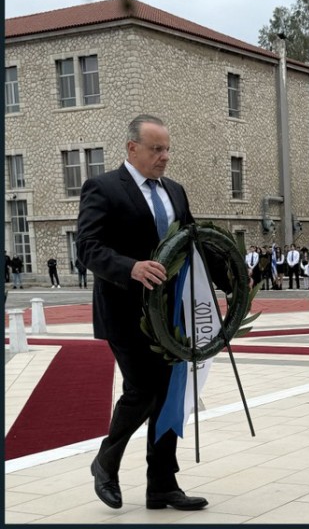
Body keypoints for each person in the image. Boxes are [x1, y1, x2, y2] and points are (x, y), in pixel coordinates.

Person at [75, 114, 209, 511]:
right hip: (124, 312)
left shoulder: (176, 192)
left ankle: (162, 485)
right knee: (143, 390)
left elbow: (192, 243)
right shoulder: (102, 189)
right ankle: (106, 461)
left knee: (169, 395)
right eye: (156, 149)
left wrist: (234, 279)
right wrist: (130, 268)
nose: (165, 156)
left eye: (167, 148)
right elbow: (88, 248)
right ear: (132, 148)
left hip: (171, 315)